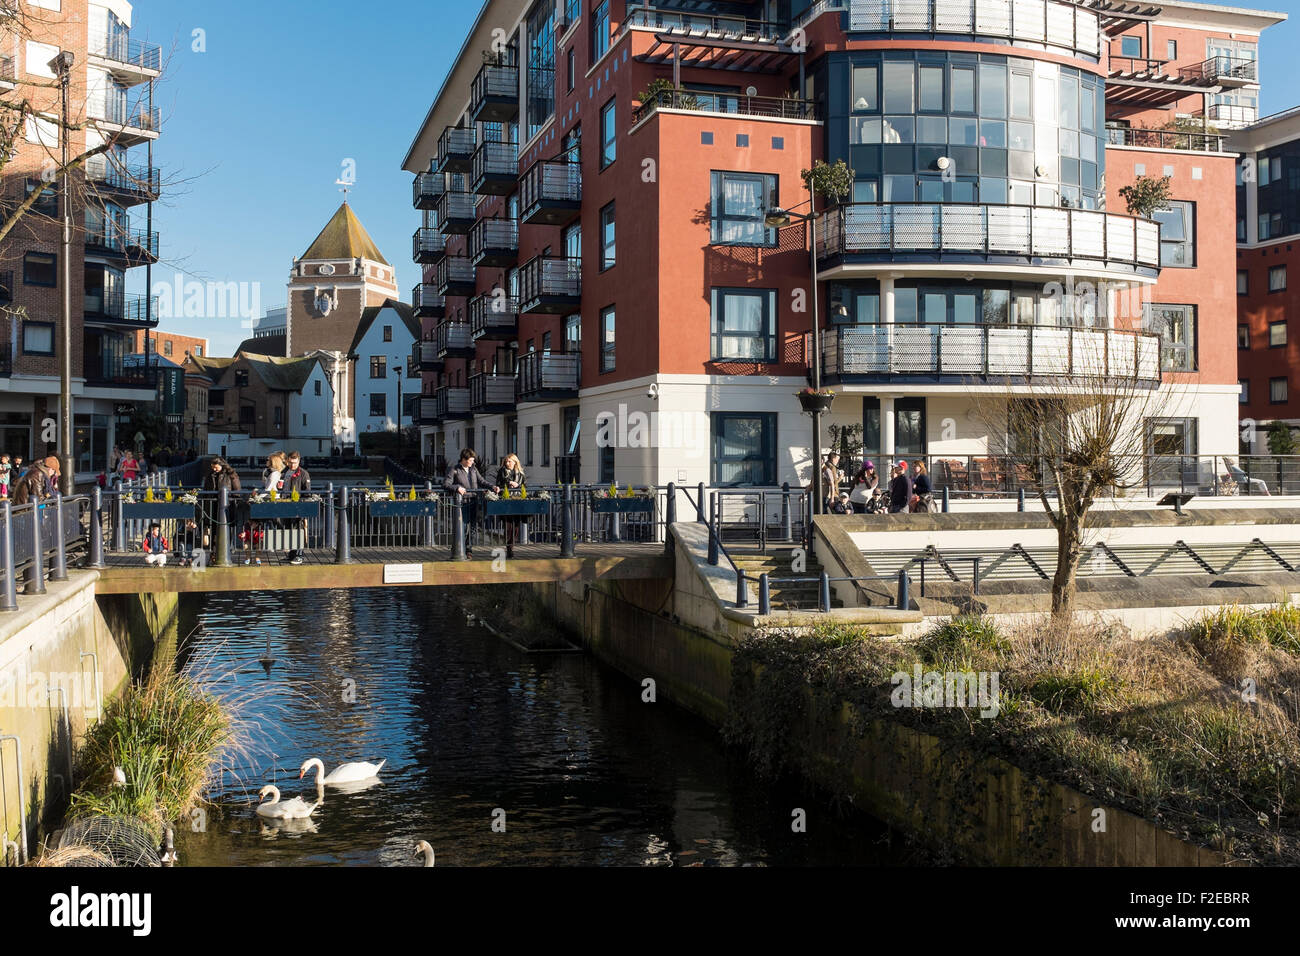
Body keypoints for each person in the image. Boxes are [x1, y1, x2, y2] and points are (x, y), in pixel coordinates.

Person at [443, 448, 497, 558]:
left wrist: (492, 486)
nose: (473, 462)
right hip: (462, 503)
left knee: (473, 526)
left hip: (474, 501)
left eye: (473, 460)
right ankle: (459, 548)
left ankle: (469, 549)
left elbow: (481, 481)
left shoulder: (473, 469)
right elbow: (446, 484)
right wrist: (457, 487)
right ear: (464, 459)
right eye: (471, 460)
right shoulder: (454, 469)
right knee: (462, 527)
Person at [281, 452, 311, 565]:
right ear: (288, 461)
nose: (293, 465)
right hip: (286, 504)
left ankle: (299, 555)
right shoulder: (285, 472)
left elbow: (307, 491)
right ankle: (292, 555)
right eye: (291, 462)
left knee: (298, 530)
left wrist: (302, 505)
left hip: (297, 505)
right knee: (289, 530)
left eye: (295, 463)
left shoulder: (303, 473)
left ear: (299, 461)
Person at [494, 452, 526, 559]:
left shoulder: (520, 474)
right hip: (506, 501)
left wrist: (518, 485)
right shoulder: (501, 472)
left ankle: (512, 545)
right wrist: (507, 484)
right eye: (506, 461)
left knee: (516, 526)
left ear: (515, 462)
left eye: (509, 461)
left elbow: (524, 486)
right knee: (508, 526)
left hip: (517, 501)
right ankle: (509, 548)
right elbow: (498, 484)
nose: (507, 463)